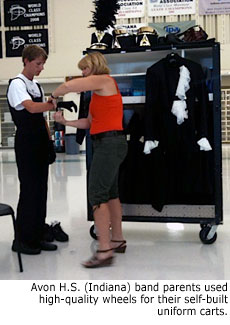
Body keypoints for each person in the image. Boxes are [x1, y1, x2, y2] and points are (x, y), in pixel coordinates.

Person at [52, 51, 128, 268]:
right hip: (109, 143)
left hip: (109, 145)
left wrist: (53, 97)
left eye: (84, 69)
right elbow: (89, 122)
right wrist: (66, 121)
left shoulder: (104, 80)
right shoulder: (98, 93)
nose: (83, 73)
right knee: (110, 193)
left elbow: (68, 87)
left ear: (94, 66)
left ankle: (104, 251)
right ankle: (117, 240)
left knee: (97, 194)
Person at [7, 45, 57, 255]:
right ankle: (22, 239)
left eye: (43, 64)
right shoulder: (16, 84)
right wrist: (51, 105)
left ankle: (37, 236)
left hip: (39, 142)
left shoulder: (36, 85)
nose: (41, 67)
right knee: (29, 190)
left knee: (41, 191)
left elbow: (42, 117)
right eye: (38, 63)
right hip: (26, 143)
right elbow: (31, 108)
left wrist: (49, 141)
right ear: (26, 61)